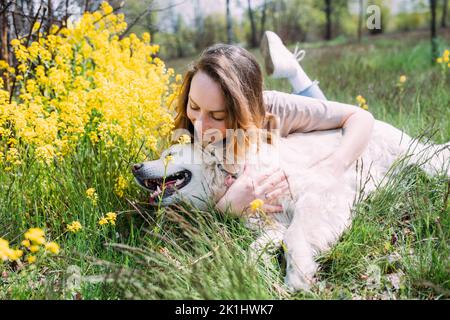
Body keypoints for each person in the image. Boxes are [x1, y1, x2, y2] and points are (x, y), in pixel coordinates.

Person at [173, 31, 375, 216]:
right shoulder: (180, 126)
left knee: (326, 112)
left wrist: (332, 166)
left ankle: (295, 73)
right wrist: (225, 210)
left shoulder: (272, 109)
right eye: (194, 106)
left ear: (248, 112)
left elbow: (360, 117)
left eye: (218, 116)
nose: (199, 124)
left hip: (299, 132)